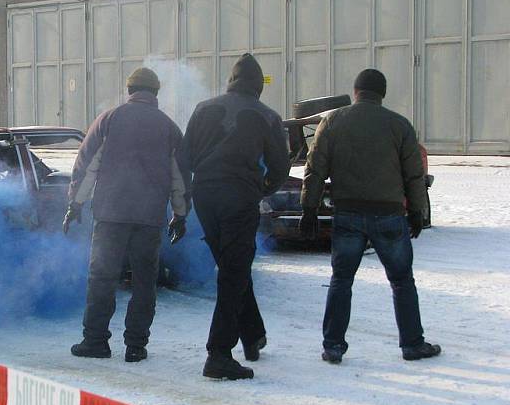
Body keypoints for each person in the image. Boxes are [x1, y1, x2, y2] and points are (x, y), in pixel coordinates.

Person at [300, 68, 441, 364]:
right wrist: (417, 212)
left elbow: (315, 169)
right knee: (402, 280)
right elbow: (414, 175)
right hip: (389, 214)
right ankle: (413, 344)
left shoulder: (333, 121)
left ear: (355, 92)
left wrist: (309, 209)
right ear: (382, 94)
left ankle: (333, 346)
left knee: (341, 279)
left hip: (348, 213)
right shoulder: (399, 125)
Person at [64, 67, 190, 363]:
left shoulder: (109, 120)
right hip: (149, 219)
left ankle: (95, 341)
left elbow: (87, 167)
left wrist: (76, 204)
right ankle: (136, 346)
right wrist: (180, 215)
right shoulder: (169, 128)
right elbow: (180, 178)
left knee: (102, 278)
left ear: (129, 89)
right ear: (155, 92)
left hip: (110, 215)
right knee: (145, 282)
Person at [182, 53, 290, 380]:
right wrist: (262, 189)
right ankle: (218, 354)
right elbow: (281, 167)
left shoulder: (202, 109)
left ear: (231, 81)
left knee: (232, 267)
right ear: (258, 86)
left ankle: (252, 335)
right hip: (239, 196)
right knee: (234, 271)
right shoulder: (268, 116)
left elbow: (184, 157)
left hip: (205, 195)